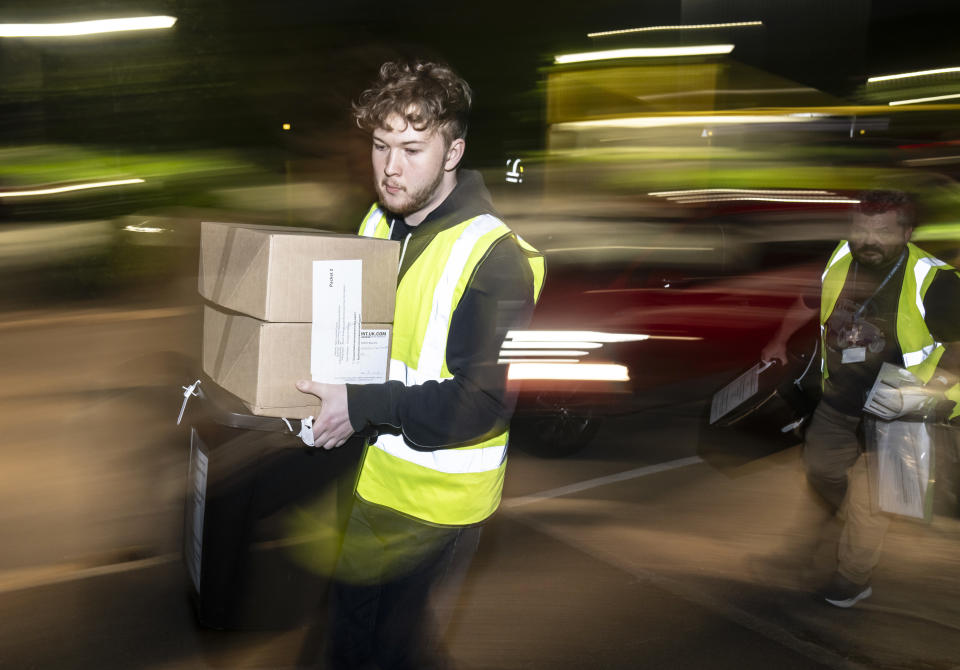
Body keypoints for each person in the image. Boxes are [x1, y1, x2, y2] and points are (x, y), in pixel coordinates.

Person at [296, 60, 544, 668]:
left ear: (453, 150)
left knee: (389, 653)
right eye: (381, 146)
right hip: (366, 482)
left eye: (412, 148)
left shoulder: (495, 257)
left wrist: (362, 406)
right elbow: (356, 342)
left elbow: (482, 405)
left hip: (436, 507)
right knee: (351, 645)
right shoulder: (377, 222)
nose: (391, 167)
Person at [762, 189, 960, 608]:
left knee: (872, 500)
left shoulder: (934, 280)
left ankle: (853, 577)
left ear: (907, 233)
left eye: (883, 231)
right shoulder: (839, 259)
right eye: (860, 227)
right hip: (841, 398)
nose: (868, 239)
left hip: (901, 408)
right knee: (820, 468)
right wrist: (778, 341)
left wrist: (932, 389)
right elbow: (806, 303)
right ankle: (850, 516)